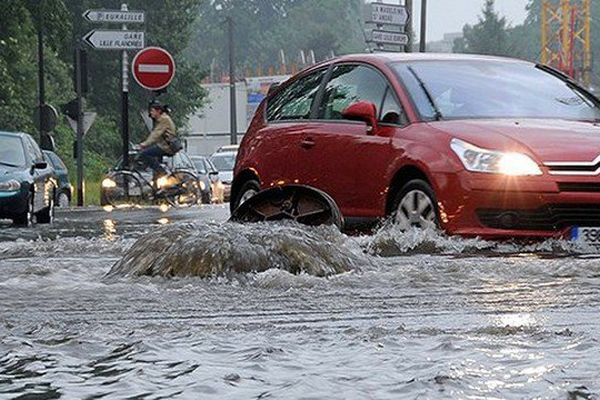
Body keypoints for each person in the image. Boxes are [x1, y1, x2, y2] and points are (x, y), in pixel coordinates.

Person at [137, 100, 178, 178]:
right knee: (155, 165)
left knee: (144, 154)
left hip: (166, 147)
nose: (151, 113)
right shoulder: (163, 119)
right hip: (164, 145)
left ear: (158, 111)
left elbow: (156, 134)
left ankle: (162, 172)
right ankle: (159, 182)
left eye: (152, 111)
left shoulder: (164, 119)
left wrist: (144, 144)